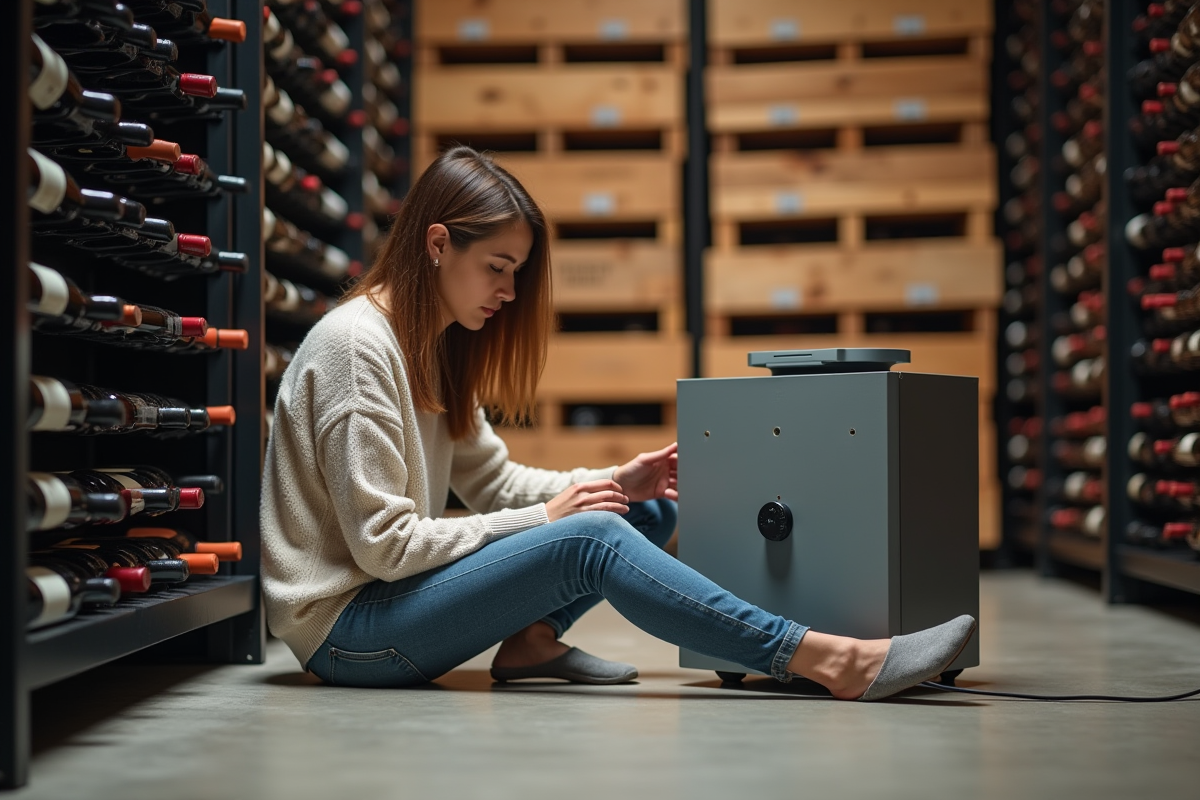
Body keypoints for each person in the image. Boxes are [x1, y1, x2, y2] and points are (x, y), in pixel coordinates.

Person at [261, 146, 975, 700]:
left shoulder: (432, 348)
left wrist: (614, 480)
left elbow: (495, 481)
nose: (509, 293)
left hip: (388, 607)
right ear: (439, 243)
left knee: (640, 509)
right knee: (588, 536)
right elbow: (384, 546)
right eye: (498, 268)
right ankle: (832, 659)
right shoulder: (358, 349)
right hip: (348, 636)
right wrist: (550, 518)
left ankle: (531, 643)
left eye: (517, 273)